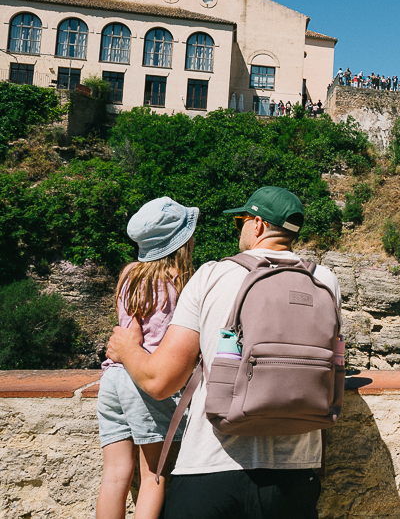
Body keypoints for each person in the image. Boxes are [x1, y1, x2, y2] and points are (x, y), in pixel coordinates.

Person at [106, 187, 341, 519]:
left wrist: (128, 349)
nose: (240, 229)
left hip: (211, 465)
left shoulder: (212, 275)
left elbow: (160, 381)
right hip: (295, 474)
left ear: (257, 224)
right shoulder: (326, 281)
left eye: (240, 221)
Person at [96, 197, 198, 519]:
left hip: (112, 378)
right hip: (144, 377)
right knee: (154, 474)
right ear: (182, 241)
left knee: (114, 475)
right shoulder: (180, 282)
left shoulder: (128, 275)